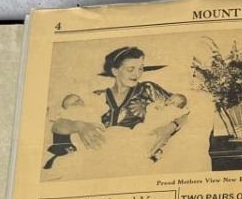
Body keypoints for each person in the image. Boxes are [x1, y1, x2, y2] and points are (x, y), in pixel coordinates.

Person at [45, 46, 189, 176]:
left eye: (140, 69)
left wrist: (171, 127)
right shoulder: (97, 96)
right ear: (115, 71)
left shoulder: (148, 89)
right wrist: (79, 125)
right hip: (100, 157)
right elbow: (58, 126)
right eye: (130, 69)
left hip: (135, 154)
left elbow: (181, 110)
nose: (137, 74)